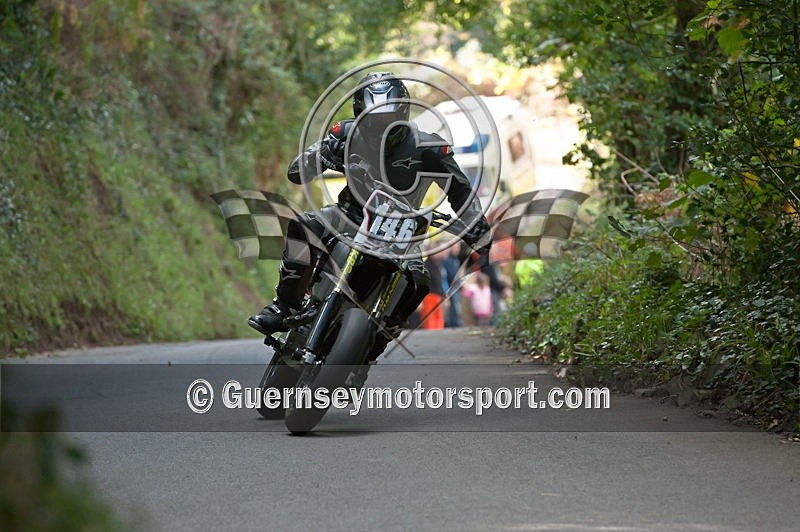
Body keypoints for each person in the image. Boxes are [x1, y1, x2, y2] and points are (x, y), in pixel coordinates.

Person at [247, 72, 492, 360]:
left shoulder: (430, 147)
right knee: (305, 225)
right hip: (349, 214)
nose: (382, 128)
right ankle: (284, 305)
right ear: (359, 115)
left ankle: (374, 345)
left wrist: (478, 229)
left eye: (389, 120)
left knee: (420, 281)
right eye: (373, 121)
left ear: (403, 113)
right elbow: (295, 172)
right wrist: (323, 155)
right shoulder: (343, 133)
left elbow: (461, 191)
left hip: (404, 231)